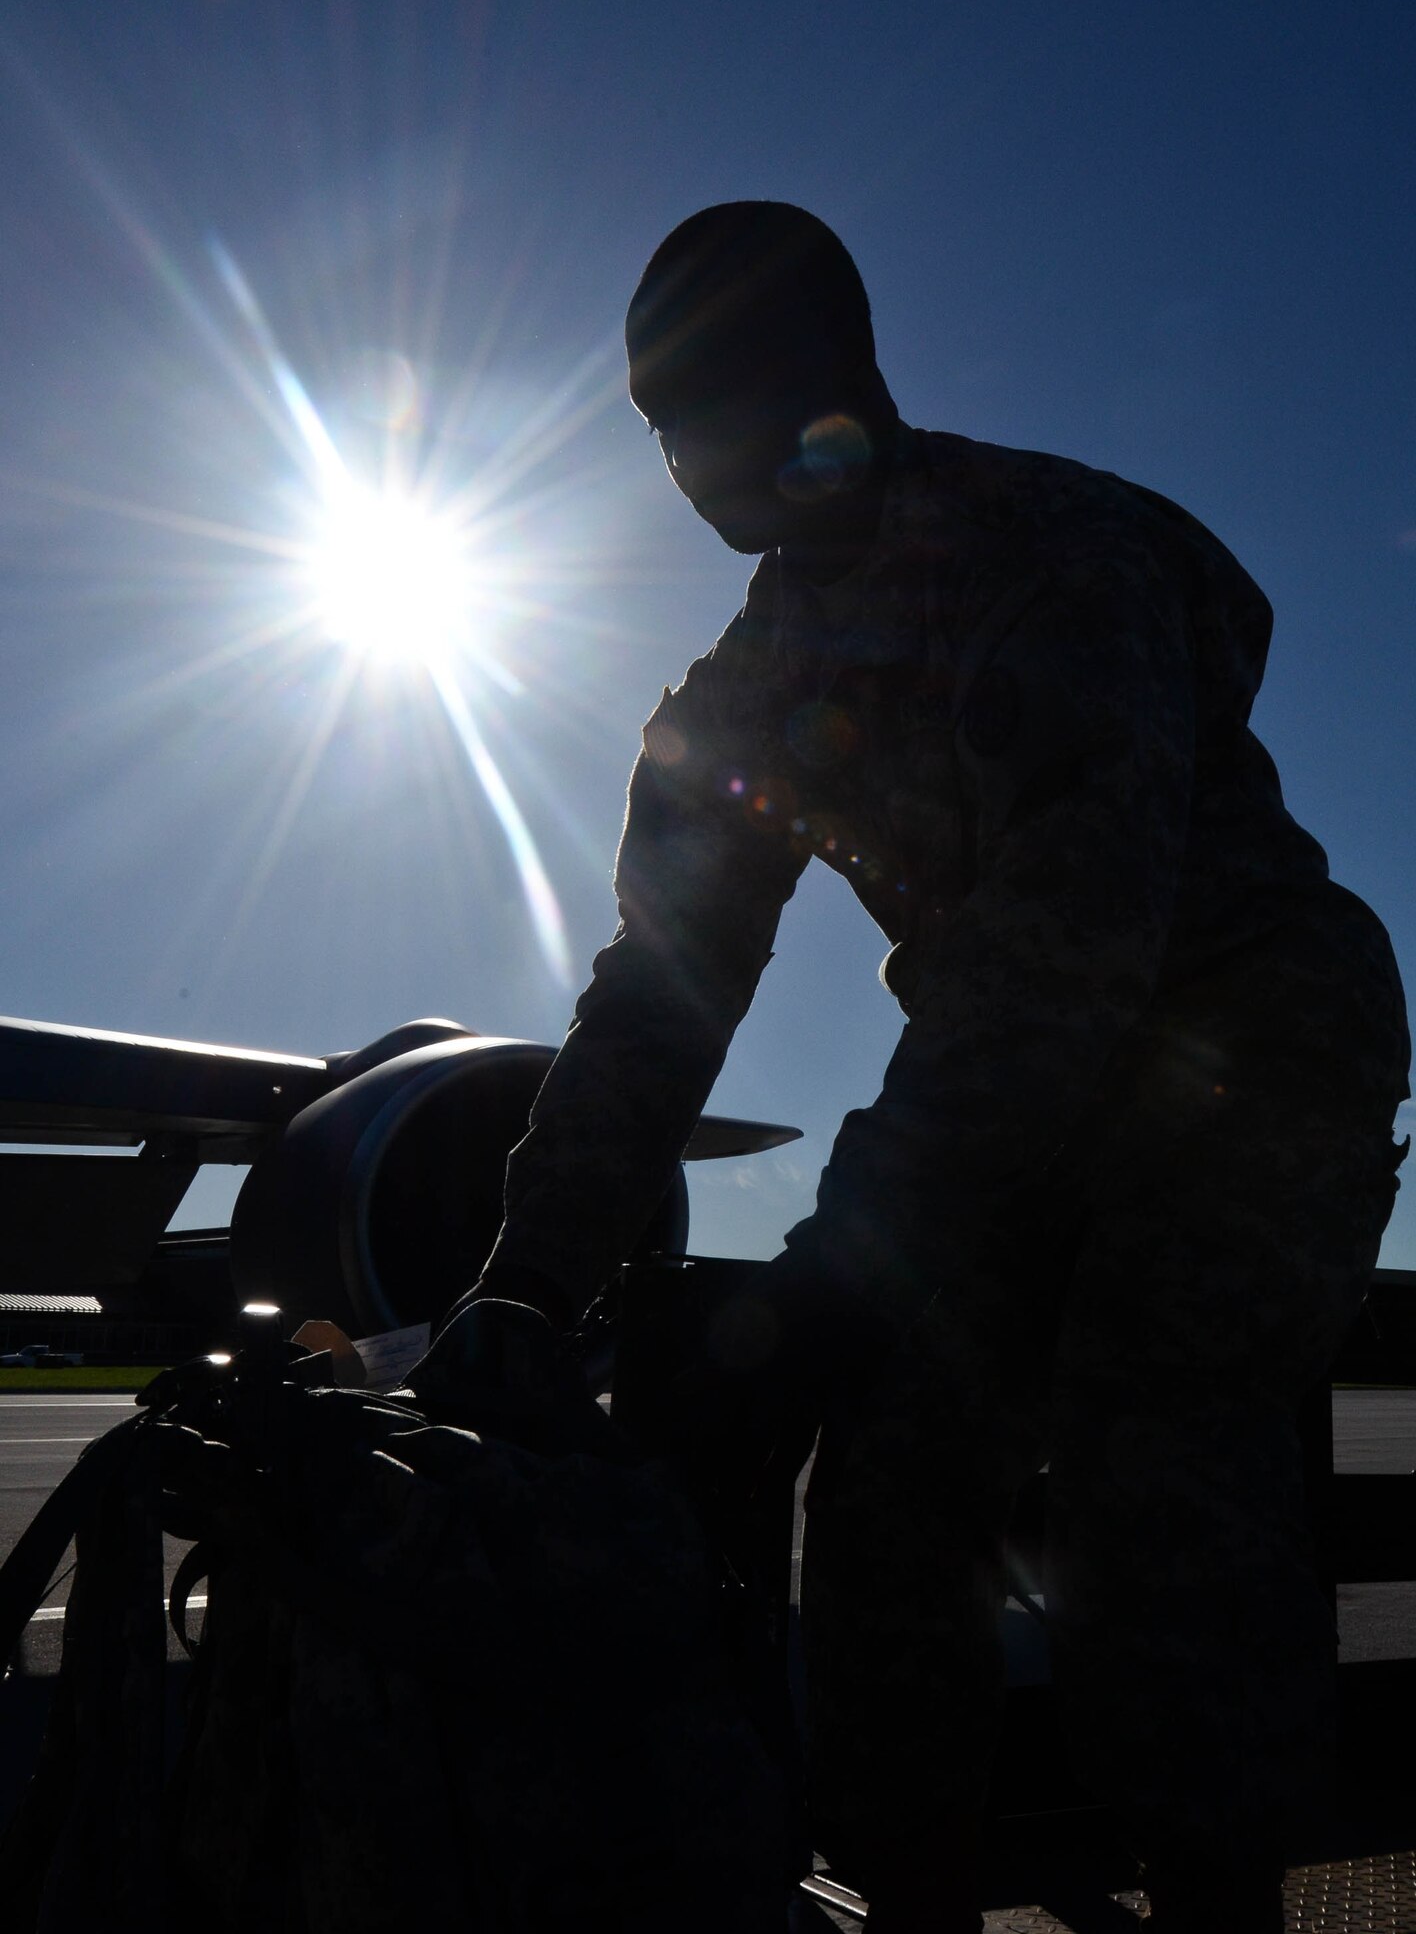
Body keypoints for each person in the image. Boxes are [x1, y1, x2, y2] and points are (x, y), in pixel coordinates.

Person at [413, 202, 1410, 1932]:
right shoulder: (741, 693)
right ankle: (904, 1889)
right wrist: (526, 1283)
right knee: (886, 1466)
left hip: (1257, 1042)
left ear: (842, 369)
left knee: (1152, 1431)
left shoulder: (1057, 561)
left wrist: (825, 1274)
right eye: (659, 424)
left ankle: (1235, 1893)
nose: (690, 458)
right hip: (1014, 1083)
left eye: (720, 399)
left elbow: (1068, 953)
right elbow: (659, 991)